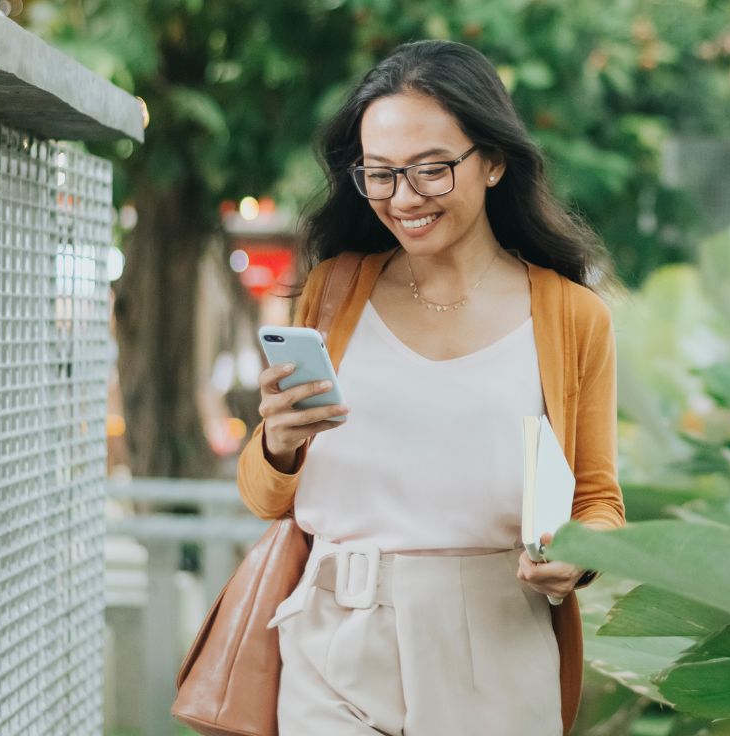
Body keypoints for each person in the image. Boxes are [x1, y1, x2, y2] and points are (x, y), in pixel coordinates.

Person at [236, 39, 626, 736]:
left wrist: (577, 556)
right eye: (380, 174)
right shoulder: (333, 291)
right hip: (333, 640)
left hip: (495, 644)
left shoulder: (571, 317)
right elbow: (266, 497)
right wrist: (279, 444)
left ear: (494, 161)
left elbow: (597, 499)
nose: (403, 198)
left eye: (431, 169)